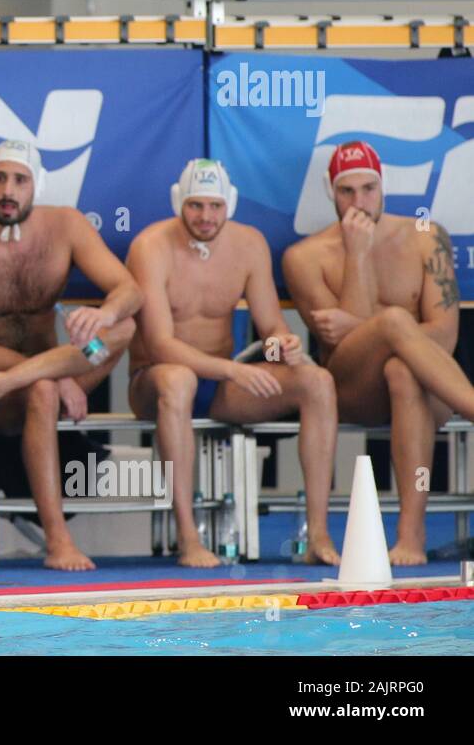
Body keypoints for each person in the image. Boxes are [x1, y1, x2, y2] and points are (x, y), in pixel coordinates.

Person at [0, 140, 141, 571]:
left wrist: (103, 314)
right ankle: (58, 542)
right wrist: (53, 375)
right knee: (43, 389)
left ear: (37, 185)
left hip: (55, 374)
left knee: (122, 329)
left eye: (20, 180)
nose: (8, 190)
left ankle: (43, 376)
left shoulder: (66, 226)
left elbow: (130, 292)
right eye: (0, 179)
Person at [126, 159, 339, 566]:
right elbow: (160, 345)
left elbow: (271, 327)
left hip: (221, 385)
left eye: (215, 206)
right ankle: (188, 538)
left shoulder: (249, 245)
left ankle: (318, 535)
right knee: (179, 379)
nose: (206, 217)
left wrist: (282, 347)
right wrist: (232, 369)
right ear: (178, 202)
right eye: (196, 206)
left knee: (318, 382)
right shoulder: (150, 247)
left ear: (231, 204)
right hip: (155, 382)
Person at [284, 140, 474, 565]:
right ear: (331, 192)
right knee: (394, 323)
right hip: (354, 390)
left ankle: (411, 536)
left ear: (382, 185)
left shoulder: (426, 236)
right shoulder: (304, 257)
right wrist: (358, 254)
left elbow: (445, 338)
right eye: (346, 191)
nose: (359, 202)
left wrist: (364, 326)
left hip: (426, 385)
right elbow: (341, 346)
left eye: (368, 189)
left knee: (402, 370)